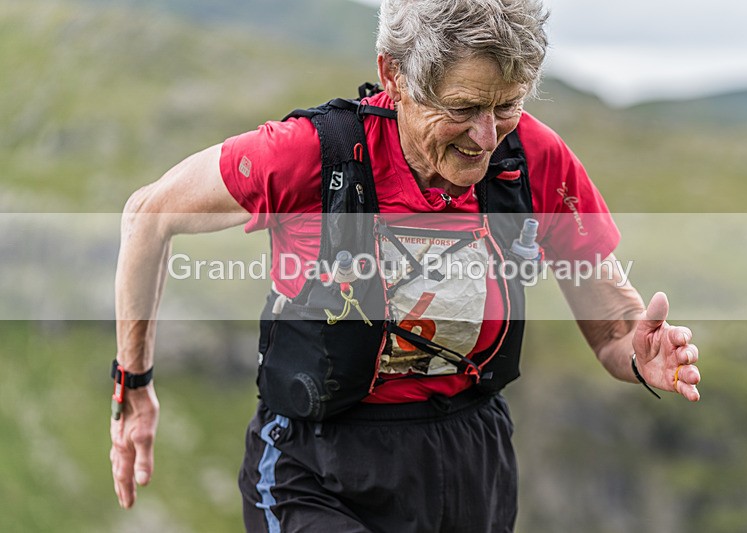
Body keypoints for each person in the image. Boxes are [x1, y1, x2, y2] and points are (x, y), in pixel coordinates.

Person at [109, 0, 701, 531]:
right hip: (319, 469)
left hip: (472, 463)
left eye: (508, 105)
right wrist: (134, 383)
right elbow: (147, 216)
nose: (487, 135)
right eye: (464, 107)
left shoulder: (533, 157)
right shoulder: (310, 153)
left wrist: (639, 355)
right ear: (395, 75)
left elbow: (614, 328)